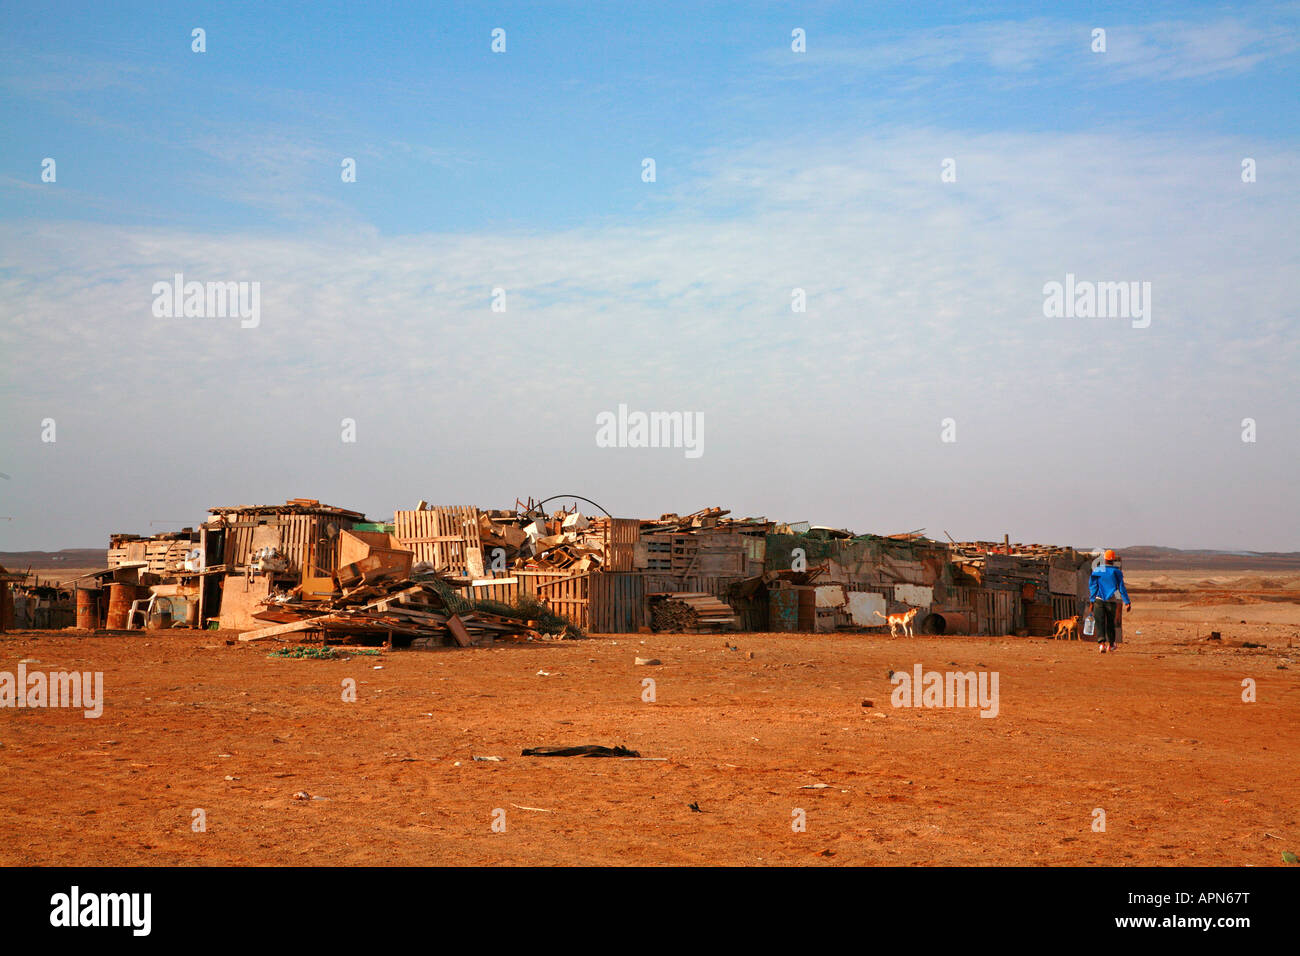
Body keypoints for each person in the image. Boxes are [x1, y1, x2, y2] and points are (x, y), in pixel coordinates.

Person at [1088, 549, 1131, 654]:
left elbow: (1093, 586)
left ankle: (1102, 644)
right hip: (1111, 601)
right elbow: (1121, 588)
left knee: (1100, 622)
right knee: (1110, 623)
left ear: (1104, 559)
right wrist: (1127, 601)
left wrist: (1092, 601)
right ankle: (1111, 645)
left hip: (1098, 600)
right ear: (1113, 560)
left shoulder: (1097, 571)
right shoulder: (1117, 572)